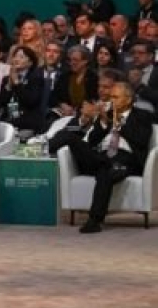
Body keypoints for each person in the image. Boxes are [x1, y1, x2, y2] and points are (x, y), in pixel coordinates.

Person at [50, 82, 154, 233]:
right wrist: (104, 122)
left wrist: (117, 122)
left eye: (116, 97)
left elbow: (141, 139)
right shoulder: (107, 114)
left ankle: (94, 221)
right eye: (111, 97)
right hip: (101, 156)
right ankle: (44, 150)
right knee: (70, 137)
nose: (111, 100)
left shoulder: (143, 116)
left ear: (128, 100)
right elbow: (92, 140)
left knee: (105, 171)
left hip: (125, 158)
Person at [0, 46, 46, 134]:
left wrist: (17, 83)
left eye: (21, 57)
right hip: (9, 118)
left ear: (30, 63)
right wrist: (8, 86)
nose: (16, 59)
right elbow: (0, 103)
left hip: (27, 120)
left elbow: (30, 101)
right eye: (15, 56)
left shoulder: (35, 78)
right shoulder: (6, 79)